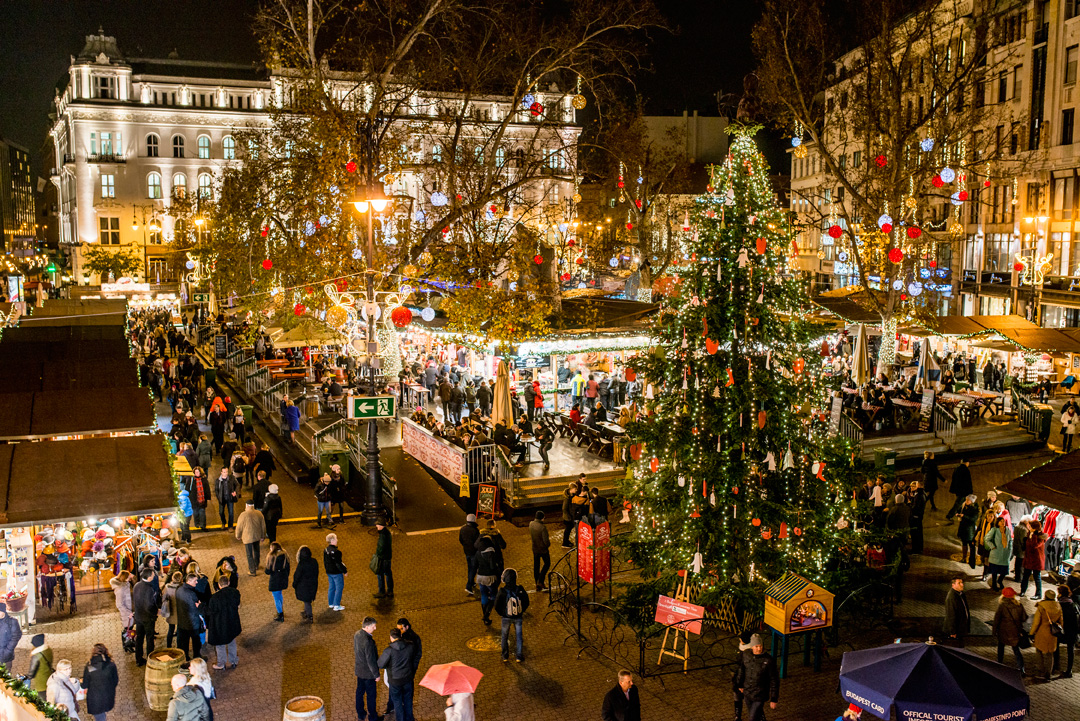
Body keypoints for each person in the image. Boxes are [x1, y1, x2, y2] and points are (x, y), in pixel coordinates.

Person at [734, 635, 780, 721]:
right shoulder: (746, 655)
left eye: (760, 646)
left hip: (760, 695)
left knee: (752, 718)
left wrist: (774, 698)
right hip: (748, 692)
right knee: (756, 715)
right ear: (752, 647)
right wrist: (740, 684)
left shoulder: (768, 660)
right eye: (756, 646)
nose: (759, 649)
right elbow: (742, 670)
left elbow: (774, 680)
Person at [379, 628, 416, 721]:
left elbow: (380, 664)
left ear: (391, 637)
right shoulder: (410, 646)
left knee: (397, 702)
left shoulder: (388, 651)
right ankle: (409, 719)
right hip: (407, 678)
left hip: (395, 681)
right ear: (401, 636)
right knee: (408, 701)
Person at [206, 575, 242, 670]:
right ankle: (233, 660)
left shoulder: (215, 598)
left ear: (219, 584)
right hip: (232, 621)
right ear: (228, 582)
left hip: (220, 624)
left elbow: (210, 611)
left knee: (220, 644)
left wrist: (200, 606)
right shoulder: (235, 592)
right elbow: (238, 605)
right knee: (231, 641)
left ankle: (221, 663)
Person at [494, 568, 530, 662]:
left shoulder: (502, 591)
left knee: (504, 636)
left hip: (506, 617)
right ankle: (519, 656)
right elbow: (526, 602)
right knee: (519, 636)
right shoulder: (520, 589)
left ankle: (505, 656)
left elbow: (497, 605)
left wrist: (502, 613)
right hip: (518, 617)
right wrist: (521, 611)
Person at [992, 587, 1027, 675]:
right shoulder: (1019, 605)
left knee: (1001, 647)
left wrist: (994, 631)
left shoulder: (1002, 606)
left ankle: (999, 663)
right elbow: (1024, 618)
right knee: (1016, 650)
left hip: (1003, 631)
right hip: (1015, 631)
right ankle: (1021, 668)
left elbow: (997, 619)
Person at [1031, 589, 1064, 682]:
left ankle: (1041, 670)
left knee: (1039, 651)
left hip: (1042, 632)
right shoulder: (1058, 606)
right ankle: (1048, 673)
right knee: (1050, 654)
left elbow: (1036, 622)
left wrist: (1031, 633)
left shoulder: (1042, 606)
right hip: (1052, 634)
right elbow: (1061, 621)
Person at [132, 567, 162, 666]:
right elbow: (149, 605)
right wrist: (155, 612)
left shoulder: (136, 585)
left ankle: (138, 659)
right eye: (153, 575)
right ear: (149, 577)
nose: (154, 577)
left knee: (139, 638)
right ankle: (150, 658)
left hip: (138, 617)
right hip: (148, 618)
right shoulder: (149, 589)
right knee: (149, 638)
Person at [82, 643, 119, 721]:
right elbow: (115, 681)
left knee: (100, 717)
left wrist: (80, 682)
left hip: (95, 699)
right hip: (108, 696)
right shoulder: (111, 665)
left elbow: (84, 685)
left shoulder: (89, 667)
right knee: (102, 715)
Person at [354, 617, 380, 721]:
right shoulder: (368, 641)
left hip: (359, 671)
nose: (375, 628)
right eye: (373, 626)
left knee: (359, 693)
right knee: (371, 696)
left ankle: (361, 714)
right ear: (367, 627)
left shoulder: (357, 634)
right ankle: (373, 717)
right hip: (369, 674)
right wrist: (376, 675)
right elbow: (371, 660)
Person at [175, 573, 204, 664]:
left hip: (182, 622)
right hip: (192, 622)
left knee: (184, 642)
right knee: (196, 641)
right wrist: (199, 606)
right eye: (195, 580)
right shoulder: (191, 594)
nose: (197, 582)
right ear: (189, 581)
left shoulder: (179, 590)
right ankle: (196, 657)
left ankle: (185, 658)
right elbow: (195, 608)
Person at [235, 500, 267, 576]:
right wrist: (263, 536)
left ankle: (252, 571)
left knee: (249, 554)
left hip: (247, 537)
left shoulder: (243, 515)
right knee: (257, 550)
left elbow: (239, 527)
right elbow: (263, 526)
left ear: (246, 505)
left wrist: (238, 535)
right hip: (257, 536)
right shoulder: (259, 513)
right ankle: (256, 565)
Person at [1021, 520, 1048, 600]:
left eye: (1030, 526)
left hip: (1036, 560)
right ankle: (1023, 591)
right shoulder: (1030, 533)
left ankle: (1038, 594)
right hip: (1029, 559)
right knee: (1025, 576)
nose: (1029, 527)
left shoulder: (1040, 536)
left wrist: (1032, 537)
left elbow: (1034, 545)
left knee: (1037, 577)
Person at [1056, 585, 1078, 679]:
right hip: (1072, 631)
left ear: (1060, 593)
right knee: (1070, 650)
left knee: (1056, 647)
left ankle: (1056, 665)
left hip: (1061, 630)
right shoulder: (1074, 605)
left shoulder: (1059, 605)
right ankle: (1069, 670)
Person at [984, 516, 1013, 590]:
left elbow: (1010, 540)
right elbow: (987, 539)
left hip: (1005, 554)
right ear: (997, 523)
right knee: (995, 571)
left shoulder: (1007, 530)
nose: (1003, 523)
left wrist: (1009, 548)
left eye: (1003, 521)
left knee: (1003, 571)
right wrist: (992, 546)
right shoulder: (994, 530)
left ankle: (1000, 580)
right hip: (996, 553)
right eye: (1001, 521)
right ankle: (994, 584)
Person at [731, 631, 754, 721]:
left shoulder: (744, 653)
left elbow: (740, 669)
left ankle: (738, 715)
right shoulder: (750, 650)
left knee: (740, 698)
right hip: (743, 679)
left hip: (742, 680)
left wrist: (739, 684)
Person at [292, 545, 319, 622]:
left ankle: (309, 616)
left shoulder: (301, 564)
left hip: (304, 586)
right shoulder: (314, 561)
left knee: (307, 601)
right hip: (313, 583)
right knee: (307, 599)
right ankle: (306, 611)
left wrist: (294, 584)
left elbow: (297, 575)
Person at [266, 542, 291, 622]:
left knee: (276, 597)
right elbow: (288, 568)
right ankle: (280, 610)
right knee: (279, 594)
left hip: (275, 580)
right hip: (283, 578)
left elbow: (268, 571)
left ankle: (280, 614)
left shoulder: (271, 557)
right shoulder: (285, 555)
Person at [943, 575, 970, 647]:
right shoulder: (952, 597)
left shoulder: (960, 594)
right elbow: (951, 615)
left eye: (962, 582)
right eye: (959, 583)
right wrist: (953, 631)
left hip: (960, 628)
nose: (962, 584)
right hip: (955, 630)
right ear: (953, 585)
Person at [324, 533, 347, 612]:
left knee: (331, 587)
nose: (337, 540)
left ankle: (331, 603)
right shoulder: (337, 552)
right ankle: (337, 605)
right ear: (332, 540)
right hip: (336, 573)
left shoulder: (326, 550)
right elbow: (339, 563)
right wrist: (345, 571)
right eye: (336, 539)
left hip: (329, 572)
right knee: (339, 588)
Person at [529, 511, 551, 592]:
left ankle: (537, 583)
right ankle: (540, 581)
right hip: (543, 550)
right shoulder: (542, 528)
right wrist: (548, 545)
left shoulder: (531, 524)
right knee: (547, 563)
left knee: (536, 566)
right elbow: (546, 541)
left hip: (535, 548)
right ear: (542, 518)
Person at [459, 514, 480, 594]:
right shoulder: (475, 530)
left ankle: (472, 582)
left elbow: (460, 539)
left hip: (467, 551)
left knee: (470, 568)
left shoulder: (463, 529)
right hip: (473, 552)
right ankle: (469, 586)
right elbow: (477, 542)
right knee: (473, 569)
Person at [374, 517, 394, 598]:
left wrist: (377, 555)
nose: (376, 526)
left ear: (382, 525)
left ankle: (381, 591)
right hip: (387, 557)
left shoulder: (382, 535)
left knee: (380, 574)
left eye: (378, 525)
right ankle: (390, 591)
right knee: (388, 573)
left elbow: (381, 547)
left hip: (383, 558)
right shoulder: (387, 533)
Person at [957, 495, 979, 569]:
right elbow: (959, 509)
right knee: (964, 543)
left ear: (971, 502)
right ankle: (964, 557)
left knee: (971, 545)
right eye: (966, 500)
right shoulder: (964, 505)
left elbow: (973, 519)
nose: (966, 501)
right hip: (963, 528)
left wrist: (964, 516)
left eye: (968, 500)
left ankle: (972, 560)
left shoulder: (974, 509)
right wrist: (958, 514)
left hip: (970, 530)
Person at [163, 571, 183, 649]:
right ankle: (179, 647)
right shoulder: (182, 588)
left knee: (170, 630)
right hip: (179, 613)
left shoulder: (167, 587)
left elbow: (164, 598)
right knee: (179, 631)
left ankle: (168, 646)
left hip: (170, 612)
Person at [561, 482, 577, 548]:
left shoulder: (571, 496)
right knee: (567, 530)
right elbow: (564, 508)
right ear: (572, 489)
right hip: (568, 518)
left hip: (569, 517)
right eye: (575, 489)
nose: (576, 490)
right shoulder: (567, 498)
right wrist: (569, 517)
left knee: (568, 530)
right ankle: (565, 543)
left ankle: (566, 541)